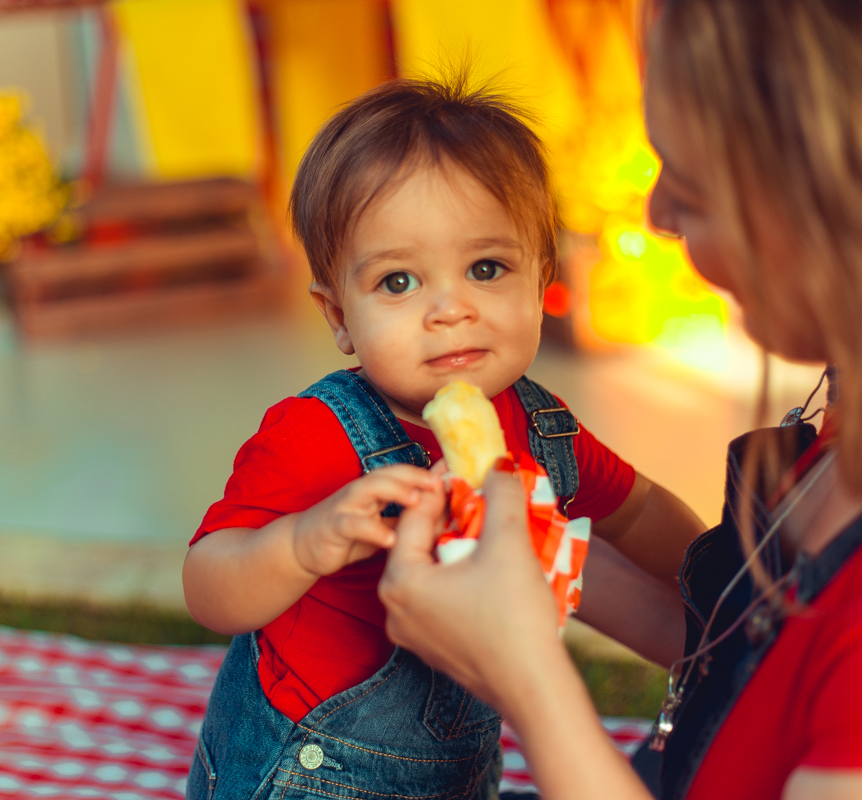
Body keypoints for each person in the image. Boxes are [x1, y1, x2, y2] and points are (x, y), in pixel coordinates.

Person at [379, 0, 862, 798]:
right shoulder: (859, 410)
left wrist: (528, 683)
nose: (658, 215)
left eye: (693, 191)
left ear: (845, 211)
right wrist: (547, 552)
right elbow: (746, 664)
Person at [181, 78, 705, 799]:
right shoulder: (316, 434)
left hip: (453, 775)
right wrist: (306, 541)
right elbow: (210, 588)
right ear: (338, 317)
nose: (450, 309)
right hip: (313, 777)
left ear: (542, 280)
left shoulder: (542, 426)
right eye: (399, 282)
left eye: (486, 269)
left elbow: (636, 514)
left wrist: (720, 597)